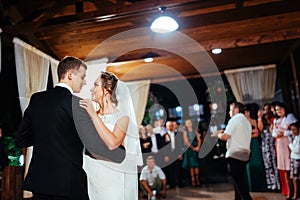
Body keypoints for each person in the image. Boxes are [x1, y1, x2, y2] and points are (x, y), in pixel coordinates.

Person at [14, 56, 90, 199]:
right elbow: (90, 145)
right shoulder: (79, 104)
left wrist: (44, 135)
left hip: (40, 182)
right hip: (69, 184)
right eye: (82, 76)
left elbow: (20, 140)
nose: (84, 81)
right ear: (70, 75)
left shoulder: (36, 99)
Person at [79, 71, 143, 200]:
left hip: (112, 177)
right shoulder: (89, 116)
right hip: (91, 174)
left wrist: (93, 115)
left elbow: (113, 143)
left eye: (96, 85)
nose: (91, 89)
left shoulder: (122, 118)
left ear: (107, 91)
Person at [211, 102, 252, 200]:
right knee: (239, 182)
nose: (229, 112)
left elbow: (225, 136)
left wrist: (218, 135)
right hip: (245, 155)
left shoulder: (235, 119)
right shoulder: (246, 121)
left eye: (230, 109)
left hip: (235, 155)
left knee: (239, 184)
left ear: (236, 110)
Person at [272, 102, 297, 198]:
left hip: (288, 144)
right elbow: (273, 132)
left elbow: (294, 130)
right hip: (280, 145)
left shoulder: (290, 117)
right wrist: (277, 134)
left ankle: (295, 192)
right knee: (284, 169)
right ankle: (289, 191)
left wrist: (284, 133)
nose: (279, 111)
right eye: (277, 110)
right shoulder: (276, 120)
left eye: (280, 109)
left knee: (291, 168)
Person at [258, 103, 280, 191]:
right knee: (267, 163)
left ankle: (277, 183)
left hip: (272, 141)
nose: (266, 111)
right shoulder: (262, 119)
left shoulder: (273, 119)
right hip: (265, 142)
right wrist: (259, 117)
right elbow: (260, 128)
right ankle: (271, 183)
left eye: (268, 109)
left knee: (274, 162)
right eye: (264, 109)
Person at [244, 107, 267, 192]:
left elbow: (257, 133)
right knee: (248, 165)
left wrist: (249, 134)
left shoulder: (253, 121)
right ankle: (251, 186)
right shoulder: (242, 122)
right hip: (246, 144)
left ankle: (260, 185)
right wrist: (251, 133)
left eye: (246, 112)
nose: (245, 113)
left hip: (254, 143)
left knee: (257, 161)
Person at [181, 119, 201, 187]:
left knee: (196, 165)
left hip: (196, 148)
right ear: (186, 124)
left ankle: (198, 180)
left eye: (190, 122)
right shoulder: (185, 132)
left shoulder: (195, 131)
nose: (189, 124)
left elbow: (199, 139)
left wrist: (198, 147)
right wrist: (193, 148)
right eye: (187, 123)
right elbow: (186, 142)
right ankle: (193, 181)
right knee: (191, 166)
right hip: (189, 149)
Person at [288, 122, 300, 200]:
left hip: (297, 159)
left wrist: (290, 145)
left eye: (294, 129)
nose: (292, 132)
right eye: (291, 130)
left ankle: (296, 195)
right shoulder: (294, 137)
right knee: (293, 178)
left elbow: (297, 149)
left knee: (296, 178)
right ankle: (294, 194)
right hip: (293, 158)